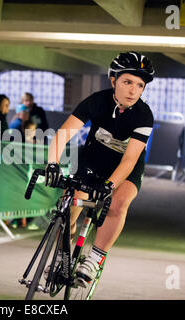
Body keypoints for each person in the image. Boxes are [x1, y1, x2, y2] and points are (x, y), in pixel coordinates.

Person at [44, 51, 155, 286]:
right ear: (113, 80)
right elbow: (63, 134)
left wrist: (110, 186)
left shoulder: (144, 116)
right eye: (127, 82)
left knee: (119, 201)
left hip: (126, 166)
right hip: (93, 159)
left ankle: (95, 258)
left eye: (140, 85)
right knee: (70, 203)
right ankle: (63, 252)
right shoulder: (97, 101)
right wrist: (52, 163)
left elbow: (129, 160)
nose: (133, 90)